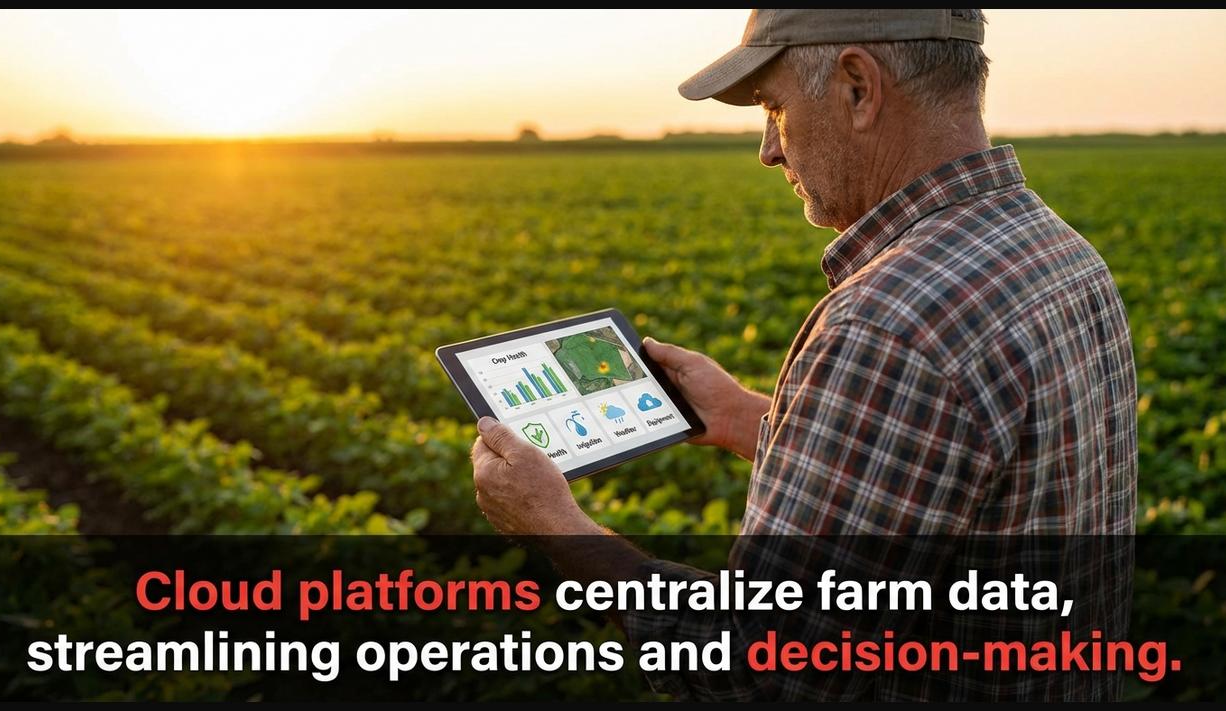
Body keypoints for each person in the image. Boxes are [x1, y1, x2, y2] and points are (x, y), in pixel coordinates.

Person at [470, 9, 1138, 700]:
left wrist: (560, 528)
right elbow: (952, 480)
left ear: (857, 87)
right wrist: (748, 419)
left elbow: (768, 672)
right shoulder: (1058, 252)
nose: (767, 149)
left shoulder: (887, 325)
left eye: (774, 107)